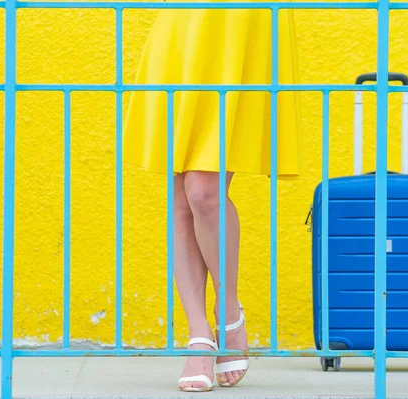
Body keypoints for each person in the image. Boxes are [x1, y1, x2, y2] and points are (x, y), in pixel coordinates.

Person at [122, 1, 303, 392]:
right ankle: (199, 334)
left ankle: (229, 311)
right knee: (182, 192)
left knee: (203, 191)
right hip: (185, 26)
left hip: (244, 25)